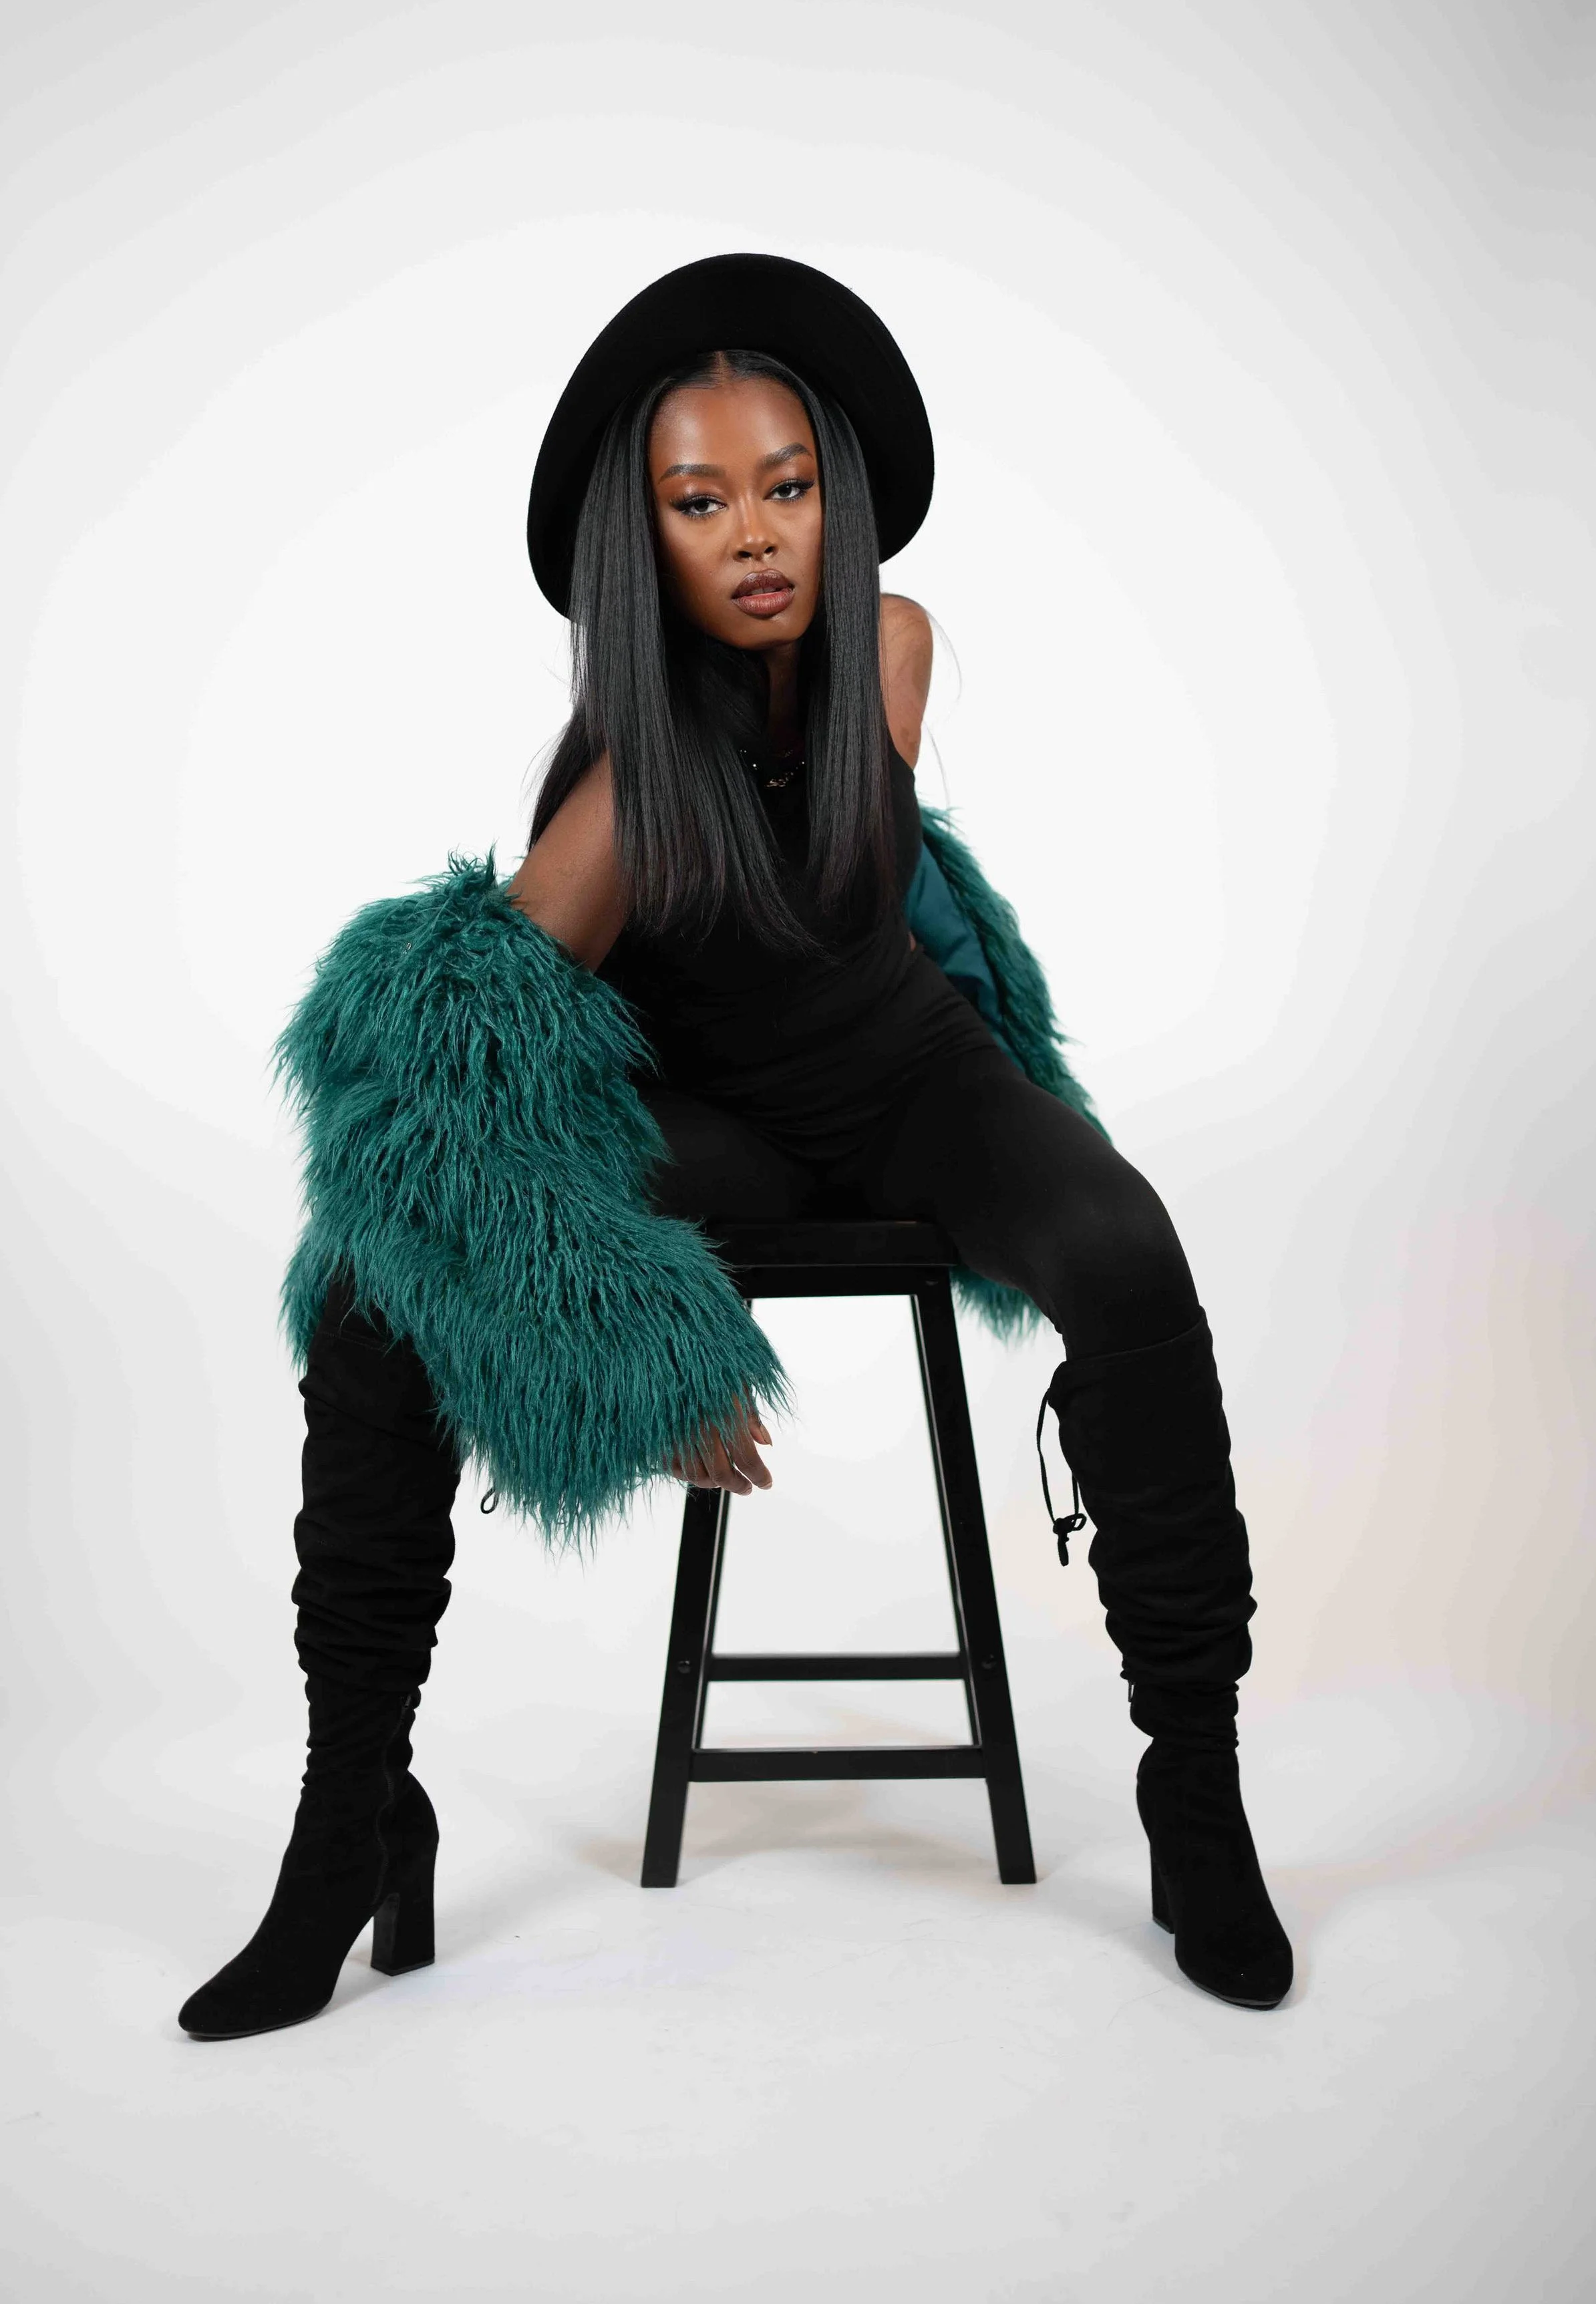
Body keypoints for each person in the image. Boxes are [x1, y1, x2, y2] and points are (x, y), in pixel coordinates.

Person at [177, 254, 1293, 2042]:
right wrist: (627, 1327)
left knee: (1129, 1253)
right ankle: (352, 1816)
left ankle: (1198, 1791)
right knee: (379, 1295)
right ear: (647, 543)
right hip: (715, 1128)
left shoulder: (893, 645)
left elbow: (873, 879)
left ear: (837, 493)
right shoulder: (631, 789)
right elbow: (447, 1087)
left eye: (786, 487)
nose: (759, 537)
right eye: (701, 504)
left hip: (915, 1083)